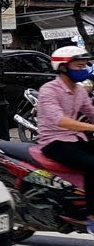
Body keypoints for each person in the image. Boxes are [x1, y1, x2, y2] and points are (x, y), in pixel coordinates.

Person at [37, 46, 94, 233]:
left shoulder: (79, 90)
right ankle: (92, 216)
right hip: (53, 141)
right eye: (79, 66)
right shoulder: (49, 90)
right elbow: (60, 121)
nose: (84, 69)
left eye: (85, 65)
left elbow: (90, 112)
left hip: (75, 138)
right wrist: (91, 127)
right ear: (63, 67)